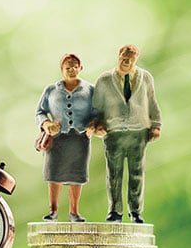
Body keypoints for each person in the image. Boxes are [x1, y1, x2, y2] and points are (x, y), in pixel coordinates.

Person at [92, 45, 162, 223]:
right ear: (119, 56)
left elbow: (152, 101)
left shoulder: (145, 78)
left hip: (139, 131)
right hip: (114, 132)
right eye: (124, 58)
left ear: (136, 59)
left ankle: (135, 211)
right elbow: (96, 107)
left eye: (131, 59)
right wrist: (97, 124)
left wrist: (156, 124)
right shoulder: (105, 79)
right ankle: (115, 211)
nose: (127, 62)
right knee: (114, 173)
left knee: (136, 173)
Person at [35, 54, 97, 222]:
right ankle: (53, 210)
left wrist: (94, 124)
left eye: (75, 66)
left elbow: (97, 112)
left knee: (76, 174)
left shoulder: (90, 90)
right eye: (67, 68)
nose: (72, 70)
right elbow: (40, 111)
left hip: (80, 138)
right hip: (57, 139)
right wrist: (46, 124)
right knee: (54, 173)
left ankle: (74, 212)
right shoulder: (51, 90)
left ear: (81, 67)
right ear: (62, 70)